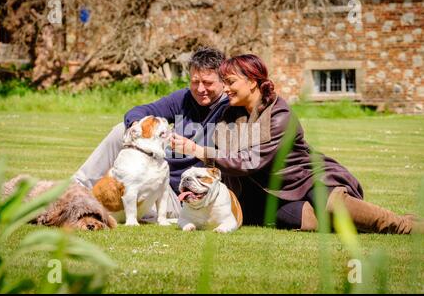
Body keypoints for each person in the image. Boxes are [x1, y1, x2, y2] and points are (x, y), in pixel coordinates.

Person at [171, 54, 423, 234]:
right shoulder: (230, 114)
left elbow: (250, 161)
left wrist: (198, 150)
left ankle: (405, 225)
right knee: (310, 222)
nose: (225, 89)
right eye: (223, 82)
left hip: (306, 179)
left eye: (230, 82)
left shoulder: (280, 116)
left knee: (333, 208)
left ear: (252, 82)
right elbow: (226, 154)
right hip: (266, 192)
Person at [73, 47, 229, 216]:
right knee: (121, 131)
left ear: (223, 81)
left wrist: (194, 150)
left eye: (208, 83)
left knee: (129, 200)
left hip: (183, 198)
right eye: (195, 81)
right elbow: (141, 111)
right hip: (156, 178)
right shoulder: (184, 98)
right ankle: (74, 189)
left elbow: (234, 160)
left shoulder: (231, 109)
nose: (200, 89)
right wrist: (135, 125)